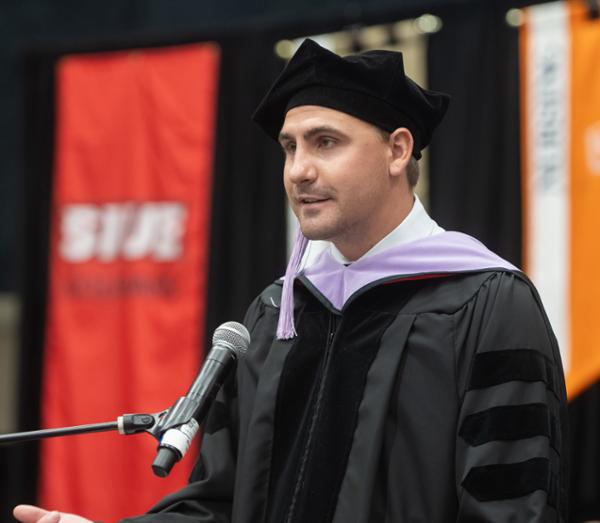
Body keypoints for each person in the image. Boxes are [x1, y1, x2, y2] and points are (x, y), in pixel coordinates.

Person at [15, 38, 568, 523]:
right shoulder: (276, 314)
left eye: (325, 142)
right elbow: (220, 505)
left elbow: (511, 508)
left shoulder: (486, 303)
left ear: (398, 150)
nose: (299, 168)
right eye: (290, 146)